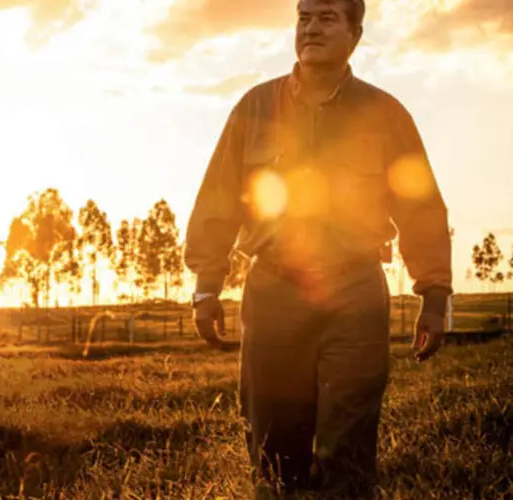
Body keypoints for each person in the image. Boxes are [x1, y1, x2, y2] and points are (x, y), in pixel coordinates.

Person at [183, 0, 453, 496]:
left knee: (348, 447)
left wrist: (434, 295)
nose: (311, 27)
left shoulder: (385, 114)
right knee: (272, 449)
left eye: (327, 17)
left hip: (354, 293)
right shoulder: (254, 108)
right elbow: (218, 199)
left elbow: (422, 208)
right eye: (304, 17)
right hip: (272, 291)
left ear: (356, 32)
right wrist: (206, 286)